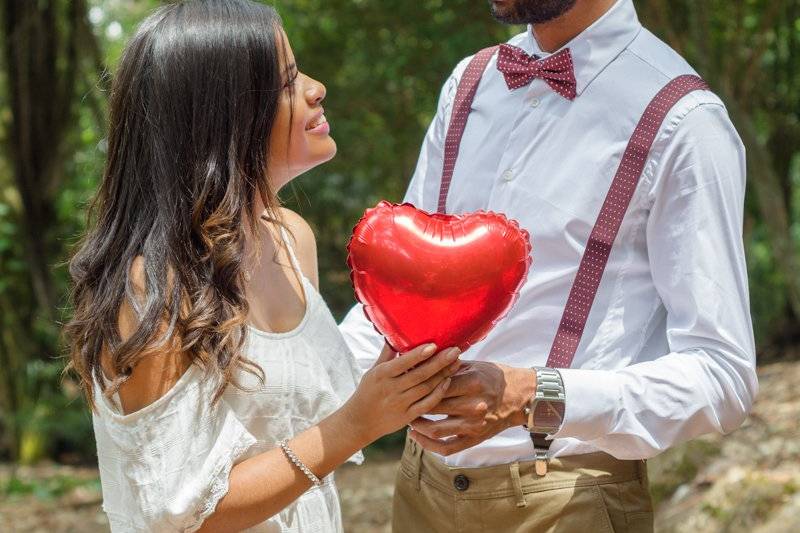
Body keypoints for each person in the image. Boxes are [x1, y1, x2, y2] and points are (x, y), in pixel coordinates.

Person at [339, 0, 758, 531]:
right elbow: (393, 293)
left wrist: (533, 396)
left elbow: (723, 375)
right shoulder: (468, 84)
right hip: (419, 489)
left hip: (567, 499)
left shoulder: (684, 120)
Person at [64, 1, 461, 531]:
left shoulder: (292, 238)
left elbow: (296, 424)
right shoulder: (155, 285)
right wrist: (358, 423)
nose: (316, 88)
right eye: (288, 81)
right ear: (224, 115)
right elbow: (182, 514)